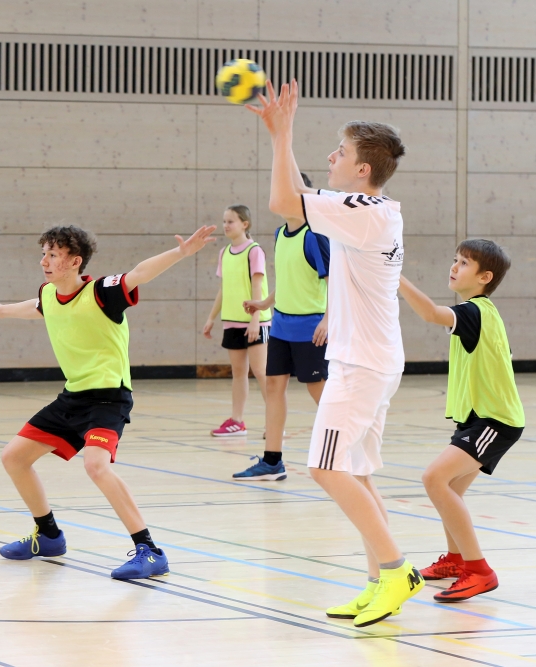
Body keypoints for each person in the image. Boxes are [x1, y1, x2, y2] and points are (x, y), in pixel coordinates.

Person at [248, 80, 422, 626]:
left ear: (363, 170)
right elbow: (290, 206)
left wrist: (282, 134)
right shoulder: (371, 209)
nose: (332, 158)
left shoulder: (365, 209)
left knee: (325, 468)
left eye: (341, 152)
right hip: (372, 359)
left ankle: (397, 570)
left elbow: (282, 203)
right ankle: (380, 583)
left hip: (361, 365)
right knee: (358, 473)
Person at [0, 223, 217, 579]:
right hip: (73, 396)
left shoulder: (101, 291)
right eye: (43, 253)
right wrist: (1, 308)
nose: (44, 260)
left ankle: (149, 550)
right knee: (14, 457)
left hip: (108, 397)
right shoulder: (48, 294)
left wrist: (180, 253)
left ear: (74, 262)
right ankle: (49, 535)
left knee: (96, 466)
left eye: (53, 255)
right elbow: (37, 306)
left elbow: (139, 274)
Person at [399, 240, 524, 602]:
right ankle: (455, 560)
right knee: (449, 489)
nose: (454, 266)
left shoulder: (473, 311)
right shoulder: (481, 311)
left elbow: (429, 313)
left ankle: (478, 570)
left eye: (464, 263)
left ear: (485, 277)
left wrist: (397, 277)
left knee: (434, 478)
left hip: (495, 421)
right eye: (455, 260)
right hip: (477, 418)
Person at [235, 173, 330, 481]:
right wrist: (265, 303)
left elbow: (334, 282)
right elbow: (288, 280)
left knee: (321, 393)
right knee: (274, 387)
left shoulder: (315, 236)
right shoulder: (279, 234)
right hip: (280, 326)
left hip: (310, 327)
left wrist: (329, 319)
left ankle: (347, 452)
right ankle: (272, 461)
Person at [202, 205, 271, 437]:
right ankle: (237, 421)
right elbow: (224, 289)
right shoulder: (224, 253)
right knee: (239, 373)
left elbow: (257, 286)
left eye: (231, 221)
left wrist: (255, 319)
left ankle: (273, 422)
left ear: (245, 224)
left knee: (261, 372)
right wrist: (211, 317)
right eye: (224, 221)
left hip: (256, 323)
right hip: (231, 321)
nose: (226, 225)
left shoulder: (254, 251)